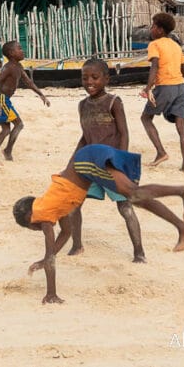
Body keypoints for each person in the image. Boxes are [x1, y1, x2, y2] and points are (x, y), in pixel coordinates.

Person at [12, 144, 184, 304]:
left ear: (30, 215)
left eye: (31, 226)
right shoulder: (52, 207)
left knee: (133, 194)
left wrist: (50, 293)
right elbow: (66, 233)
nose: (36, 229)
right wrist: (46, 259)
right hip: (87, 159)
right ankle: (183, 225)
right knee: (135, 197)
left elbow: (51, 255)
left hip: (86, 161)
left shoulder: (43, 215)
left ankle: (183, 191)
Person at [67, 58, 146, 262]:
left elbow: (123, 134)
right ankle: (77, 245)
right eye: (85, 78)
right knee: (74, 203)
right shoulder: (82, 105)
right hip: (91, 163)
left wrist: (120, 164)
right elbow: (85, 137)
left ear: (106, 78)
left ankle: (139, 251)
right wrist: (71, 164)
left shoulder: (114, 102)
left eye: (95, 77)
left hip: (113, 164)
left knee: (125, 207)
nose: (89, 82)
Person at [139, 13, 184, 170]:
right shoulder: (176, 46)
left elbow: (154, 66)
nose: (151, 29)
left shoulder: (155, 44)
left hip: (165, 87)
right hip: (181, 87)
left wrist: (148, 88)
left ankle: (161, 152)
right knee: (182, 127)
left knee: (146, 118)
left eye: (153, 26)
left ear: (160, 30)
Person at [0, 41, 50, 164]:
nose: (23, 51)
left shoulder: (18, 67)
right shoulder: (9, 67)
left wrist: (41, 95)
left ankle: (2, 151)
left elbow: (29, 82)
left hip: (3, 100)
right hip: (1, 100)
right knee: (18, 125)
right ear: (12, 53)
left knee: (7, 129)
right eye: (20, 48)